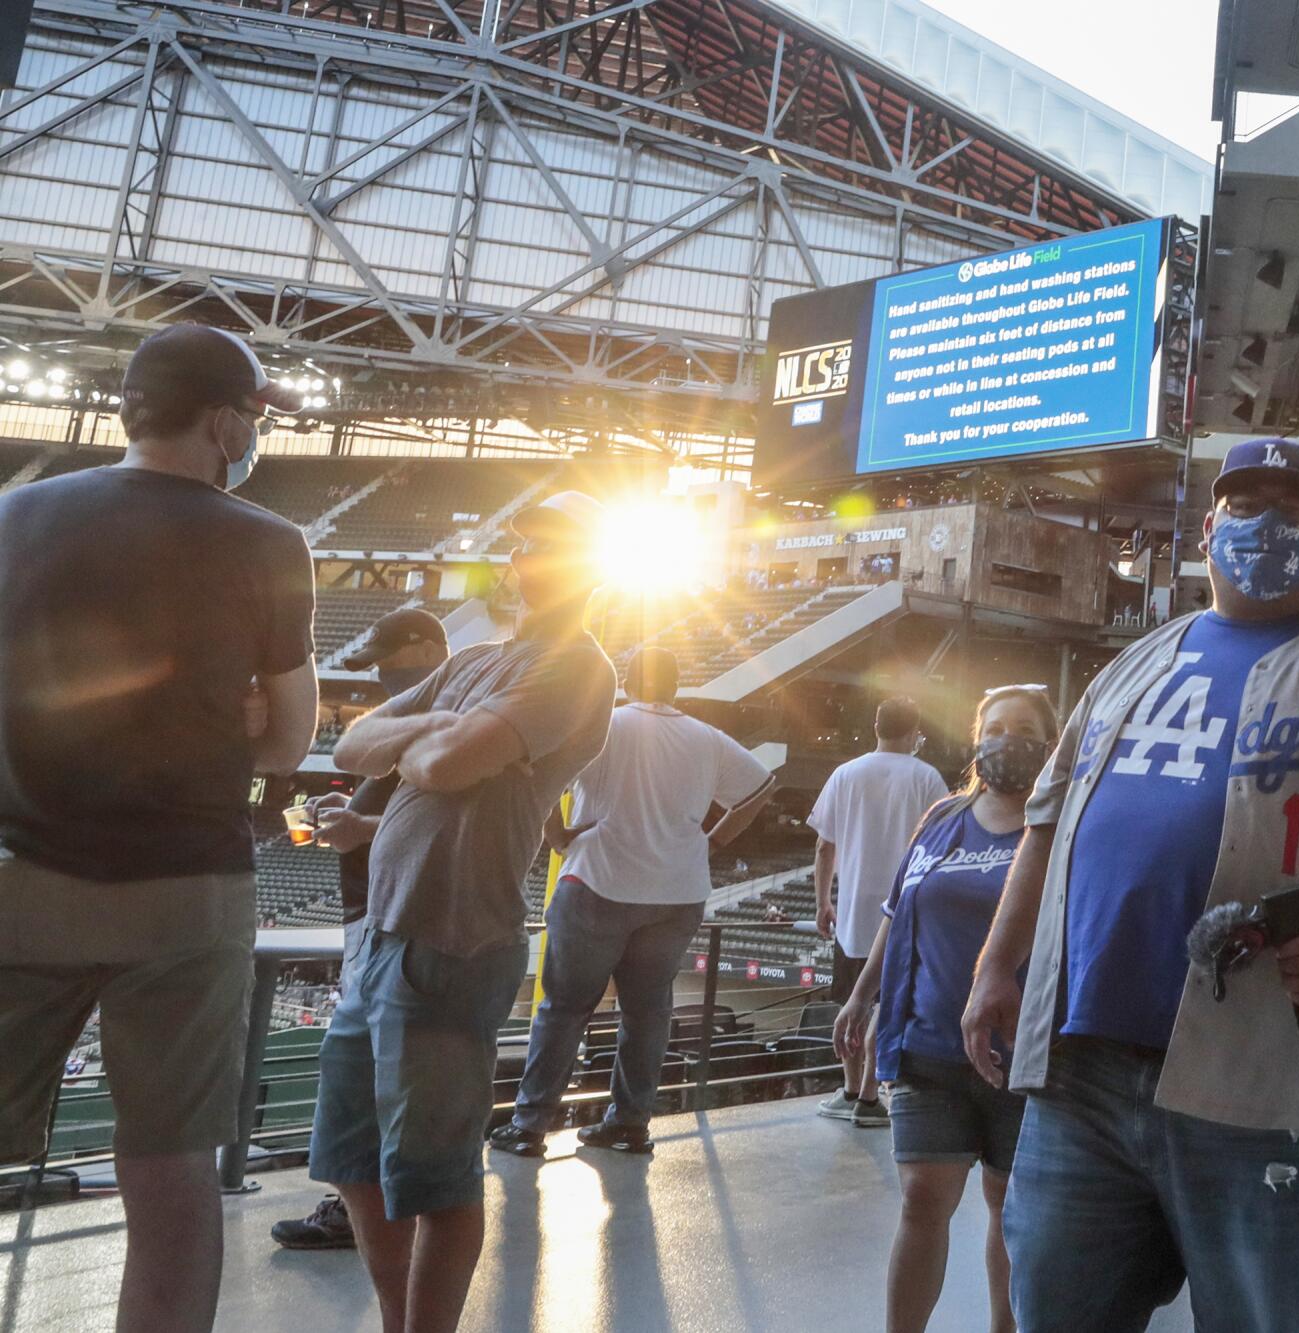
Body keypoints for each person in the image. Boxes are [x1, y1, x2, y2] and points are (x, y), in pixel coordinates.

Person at [961, 438, 1299, 1331]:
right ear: (1208, 529)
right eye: (1246, 508)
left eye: (1293, 511)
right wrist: (994, 967)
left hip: (1263, 1080)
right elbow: (1046, 826)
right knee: (1054, 1310)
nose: (1266, 527)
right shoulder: (1131, 668)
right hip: (1081, 1072)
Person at [0, 324, 317, 1333]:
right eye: (253, 418)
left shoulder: (16, 515)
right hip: (185, 887)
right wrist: (233, 716)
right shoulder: (267, 541)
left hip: (22, 873)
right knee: (170, 1171)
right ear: (225, 418)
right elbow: (288, 743)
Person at [308, 491, 615, 1333]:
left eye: (548, 549)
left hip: (453, 940)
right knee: (354, 1162)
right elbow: (351, 743)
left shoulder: (579, 668)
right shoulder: (473, 661)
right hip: (381, 937)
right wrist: (440, 726)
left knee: (439, 1179)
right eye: (522, 547)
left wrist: (432, 741)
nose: (526, 562)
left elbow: (447, 766)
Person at [832, 685, 1059, 1333]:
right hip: (928, 1041)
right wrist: (862, 992)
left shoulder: (1061, 824)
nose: (1006, 738)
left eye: (1023, 727)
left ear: (1049, 743)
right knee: (922, 1198)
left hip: (1023, 1052)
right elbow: (896, 911)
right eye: (995, 725)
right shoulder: (940, 818)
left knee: (1006, 1204)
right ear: (975, 735)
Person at [490, 647, 775, 1157]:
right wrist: (713, 840)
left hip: (598, 881)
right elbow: (760, 787)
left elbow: (532, 775)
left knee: (563, 1010)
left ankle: (530, 1127)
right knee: (648, 1014)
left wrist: (558, 836)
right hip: (678, 893)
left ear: (625, 682)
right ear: (677, 684)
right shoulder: (705, 737)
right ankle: (629, 1124)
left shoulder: (603, 724)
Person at [273, 608, 451, 1252]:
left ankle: (371, 1213)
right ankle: (365, 1208)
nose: (380, 674)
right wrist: (346, 814)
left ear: (432, 647)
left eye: (392, 658)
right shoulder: (400, 722)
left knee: (380, 1079)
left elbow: (454, 826)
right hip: (369, 914)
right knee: (364, 1077)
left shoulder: (448, 720)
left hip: (401, 922)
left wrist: (362, 829)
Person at [811, 697, 950, 1127]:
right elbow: (944, 841)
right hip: (905, 916)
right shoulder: (926, 777)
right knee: (886, 1006)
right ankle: (870, 1098)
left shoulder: (844, 773)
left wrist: (823, 901)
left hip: (853, 913)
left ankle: (851, 1090)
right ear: (913, 733)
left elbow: (824, 846)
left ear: (876, 727)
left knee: (852, 1003)